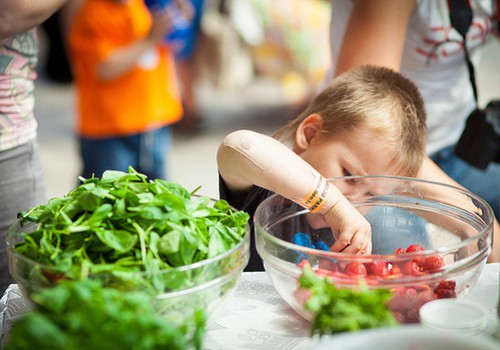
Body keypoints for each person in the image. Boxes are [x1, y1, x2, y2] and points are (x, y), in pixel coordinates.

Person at [217, 65, 428, 271]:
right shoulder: (266, 188)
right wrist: (332, 204)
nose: (353, 201)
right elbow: (238, 145)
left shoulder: (346, 236)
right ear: (310, 134)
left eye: (371, 194)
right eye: (349, 176)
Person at [328, 0, 500, 219]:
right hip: (380, 163)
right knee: (401, 247)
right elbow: (369, 125)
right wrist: (469, 212)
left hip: (455, 143)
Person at [68, 0, 187, 180]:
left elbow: (172, 45)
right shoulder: (92, 13)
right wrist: (150, 39)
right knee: (107, 199)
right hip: (109, 129)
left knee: (156, 201)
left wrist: (178, 21)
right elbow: (103, 68)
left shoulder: (144, 5)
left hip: (152, 121)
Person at [0, 0, 70, 294]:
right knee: (21, 291)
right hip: (7, 143)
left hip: (10, 133)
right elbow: (7, 13)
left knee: (21, 287)